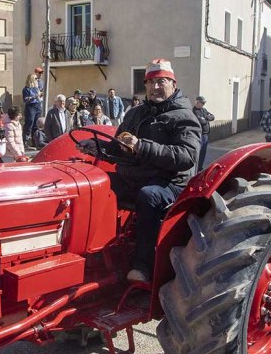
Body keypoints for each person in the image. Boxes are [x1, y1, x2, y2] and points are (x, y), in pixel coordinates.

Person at [76, 59, 200, 283]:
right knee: (94, 186)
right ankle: (92, 253)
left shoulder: (184, 116)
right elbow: (121, 146)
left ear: (173, 83)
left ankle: (143, 266)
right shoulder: (135, 114)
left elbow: (186, 156)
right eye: (150, 82)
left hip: (169, 182)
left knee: (149, 196)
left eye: (161, 81)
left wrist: (141, 146)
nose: (155, 87)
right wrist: (99, 146)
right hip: (134, 177)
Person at [192, 96, 215, 172]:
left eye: (204, 103)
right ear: (197, 102)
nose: (203, 104)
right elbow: (202, 122)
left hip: (205, 135)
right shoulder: (194, 111)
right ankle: (195, 169)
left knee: (203, 153)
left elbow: (212, 117)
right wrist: (206, 118)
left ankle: (200, 168)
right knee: (198, 153)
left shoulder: (204, 110)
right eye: (202, 103)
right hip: (199, 135)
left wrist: (205, 118)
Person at [22, 73, 42, 148]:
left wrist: (40, 96)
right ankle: (25, 141)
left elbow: (39, 97)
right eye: (35, 78)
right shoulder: (26, 89)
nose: (37, 80)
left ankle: (35, 141)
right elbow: (26, 99)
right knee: (29, 123)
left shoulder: (37, 88)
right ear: (31, 79)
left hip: (38, 106)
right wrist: (35, 96)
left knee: (36, 124)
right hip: (31, 106)